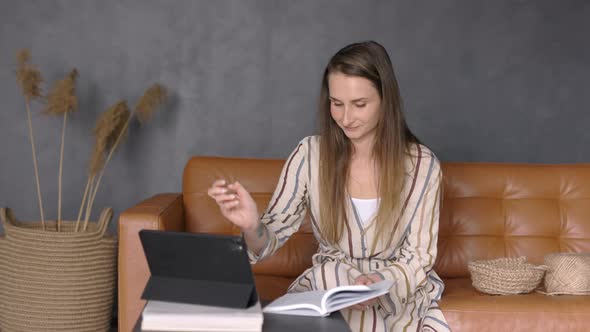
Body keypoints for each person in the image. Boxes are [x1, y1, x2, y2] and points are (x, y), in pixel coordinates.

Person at [207, 41, 450, 332]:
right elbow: (267, 240)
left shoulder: (423, 165)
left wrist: (375, 282)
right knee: (331, 273)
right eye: (337, 104)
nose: (346, 118)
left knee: (351, 289)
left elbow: (418, 257)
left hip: (394, 290)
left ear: (387, 100)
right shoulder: (309, 155)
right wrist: (250, 224)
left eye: (359, 104)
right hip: (331, 284)